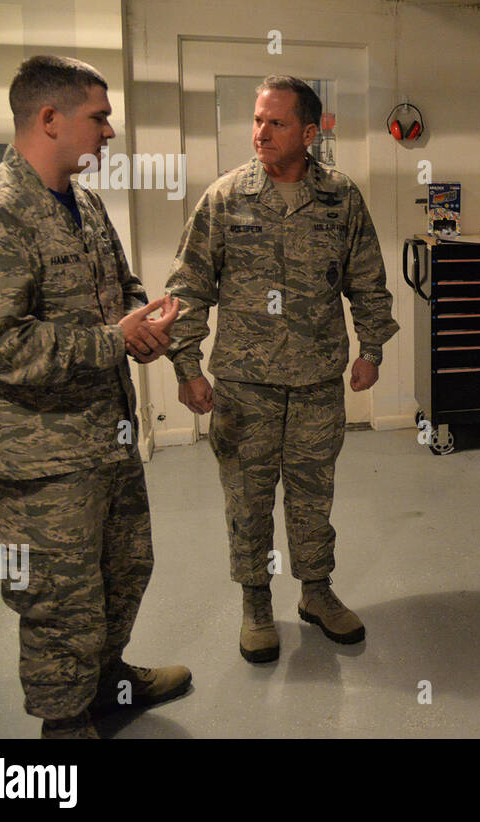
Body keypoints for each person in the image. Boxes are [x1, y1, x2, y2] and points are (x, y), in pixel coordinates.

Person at [0, 55, 192, 739]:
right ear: (49, 119)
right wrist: (116, 341)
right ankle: (63, 729)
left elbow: (123, 282)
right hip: (46, 463)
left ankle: (107, 683)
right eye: (99, 117)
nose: (109, 131)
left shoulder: (84, 203)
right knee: (58, 602)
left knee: (124, 570)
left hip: (108, 444)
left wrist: (143, 321)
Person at [165, 75, 397, 663]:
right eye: (257, 120)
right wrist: (186, 365)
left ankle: (316, 593)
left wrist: (371, 349)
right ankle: (255, 602)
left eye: (275, 122)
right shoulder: (225, 198)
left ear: (310, 133)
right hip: (245, 384)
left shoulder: (342, 198)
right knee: (247, 497)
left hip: (318, 381)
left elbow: (367, 278)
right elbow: (188, 285)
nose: (260, 132)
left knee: (313, 494)